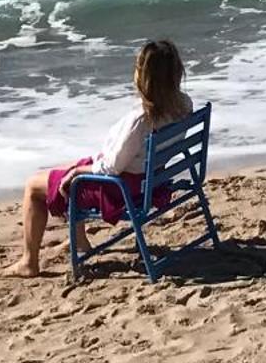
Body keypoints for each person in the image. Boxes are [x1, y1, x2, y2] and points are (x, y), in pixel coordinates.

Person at [10, 38, 193, 276]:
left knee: (34, 186)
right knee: (76, 166)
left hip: (123, 190)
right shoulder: (183, 104)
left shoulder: (141, 119)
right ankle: (79, 239)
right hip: (152, 178)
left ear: (143, 76)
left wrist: (77, 172)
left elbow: (110, 169)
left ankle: (28, 262)